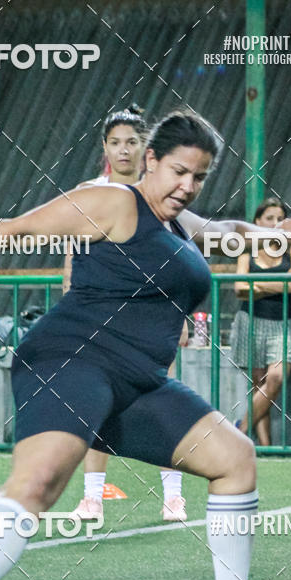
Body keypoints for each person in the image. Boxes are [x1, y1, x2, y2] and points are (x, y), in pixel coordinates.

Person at [0, 110, 291, 580]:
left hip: (138, 382)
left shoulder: (179, 225)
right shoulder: (114, 202)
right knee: (42, 479)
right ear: (151, 160)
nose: (188, 186)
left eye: (200, 177)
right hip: (72, 359)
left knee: (235, 459)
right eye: (179, 171)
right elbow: (19, 232)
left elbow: (225, 232)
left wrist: (271, 234)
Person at [63, 105, 190, 523]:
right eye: (115, 142)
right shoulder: (89, 192)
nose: (123, 150)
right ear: (104, 147)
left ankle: (174, 497)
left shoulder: (160, 196)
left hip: (152, 316)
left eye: (132, 142)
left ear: (146, 148)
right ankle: (92, 499)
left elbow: (179, 259)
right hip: (100, 315)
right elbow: (74, 255)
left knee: (161, 402)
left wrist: (182, 314)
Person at [231, 198, 291, 445]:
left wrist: (258, 285)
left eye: (280, 219)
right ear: (257, 222)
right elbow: (240, 288)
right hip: (251, 321)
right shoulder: (246, 248)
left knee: (275, 378)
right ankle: (264, 447)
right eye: (269, 218)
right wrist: (279, 284)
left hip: (285, 323)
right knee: (258, 385)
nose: (275, 223)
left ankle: (239, 433)